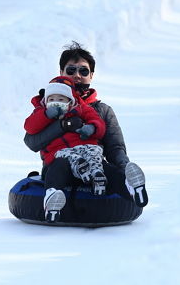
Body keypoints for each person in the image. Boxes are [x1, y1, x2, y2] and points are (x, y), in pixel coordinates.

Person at [24, 41, 148, 221]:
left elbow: (115, 148)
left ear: (91, 75)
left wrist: (124, 169)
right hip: (60, 167)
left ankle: (130, 188)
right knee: (60, 167)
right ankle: (53, 199)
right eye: (71, 70)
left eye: (83, 71)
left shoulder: (101, 110)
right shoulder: (48, 106)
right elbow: (32, 141)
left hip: (93, 167)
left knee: (108, 171)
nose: (77, 76)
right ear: (61, 73)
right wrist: (63, 125)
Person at [24, 75, 108, 222]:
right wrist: (46, 115)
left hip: (84, 153)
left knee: (97, 157)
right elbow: (30, 127)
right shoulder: (41, 113)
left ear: (70, 102)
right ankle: (52, 198)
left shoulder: (80, 110)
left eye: (61, 99)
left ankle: (124, 184)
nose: (57, 103)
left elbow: (98, 122)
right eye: (52, 99)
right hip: (59, 160)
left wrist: (91, 128)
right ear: (45, 102)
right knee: (61, 164)